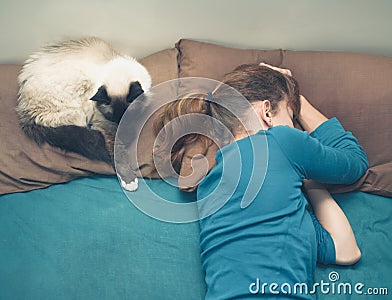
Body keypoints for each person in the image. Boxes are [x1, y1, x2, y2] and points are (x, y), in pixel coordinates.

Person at [153, 63, 368, 299]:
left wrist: (307, 178)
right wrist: (299, 102)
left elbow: (345, 251)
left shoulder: (208, 185)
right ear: (267, 112)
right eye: (291, 117)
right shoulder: (280, 140)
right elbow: (355, 162)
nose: (297, 128)